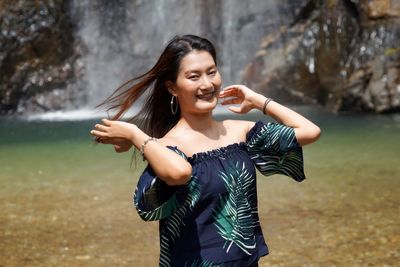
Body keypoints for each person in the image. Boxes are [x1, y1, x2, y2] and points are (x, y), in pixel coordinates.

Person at [90, 34, 321, 267]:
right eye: (194, 76)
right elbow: (180, 173)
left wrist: (258, 100)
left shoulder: (239, 133)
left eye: (212, 72)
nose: (207, 84)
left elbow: (309, 132)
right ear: (172, 87)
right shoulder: (164, 147)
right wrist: (135, 135)